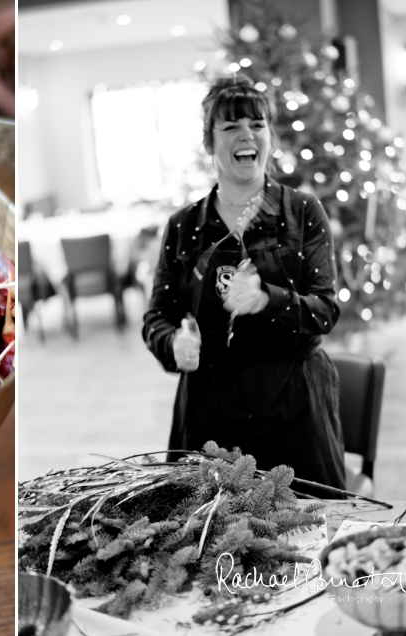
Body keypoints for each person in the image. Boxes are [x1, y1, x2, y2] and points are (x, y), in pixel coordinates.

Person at [142, 74, 345, 497]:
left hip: (296, 407)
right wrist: (172, 345)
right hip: (210, 409)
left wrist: (266, 299)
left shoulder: (304, 211)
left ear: (269, 135)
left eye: (257, 124)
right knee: (205, 539)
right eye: (231, 127)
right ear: (209, 143)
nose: (246, 135)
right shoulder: (184, 226)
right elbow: (158, 318)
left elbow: (326, 309)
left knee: (308, 534)